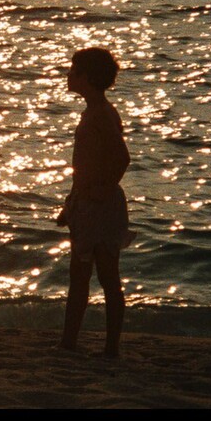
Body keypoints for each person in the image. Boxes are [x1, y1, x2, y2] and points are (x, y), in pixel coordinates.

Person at [55, 47, 135, 357]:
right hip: (86, 204)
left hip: (100, 207)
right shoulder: (92, 110)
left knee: (106, 275)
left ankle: (110, 347)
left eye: (73, 71)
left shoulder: (102, 112)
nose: (68, 75)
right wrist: (72, 202)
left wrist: (103, 189)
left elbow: (122, 158)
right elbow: (86, 164)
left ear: (87, 78)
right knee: (80, 274)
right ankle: (70, 342)